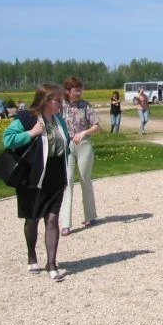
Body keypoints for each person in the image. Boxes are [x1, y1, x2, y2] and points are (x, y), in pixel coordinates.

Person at [2, 83, 71, 282]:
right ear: (44, 100)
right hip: (32, 178)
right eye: (56, 99)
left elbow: (64, 145)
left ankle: (52, 263)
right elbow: (8, 140)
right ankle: (32, 255)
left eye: (60, 99)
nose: (59, 103)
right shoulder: (26, 118)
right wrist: (31, 133)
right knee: (32, 220)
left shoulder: (59, 121)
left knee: (52, 220)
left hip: (56, 176)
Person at [59, 76, 100, 236]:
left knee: (85, 179)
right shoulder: (60, 106)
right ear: (68, 91)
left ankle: (90, 215)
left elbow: (96, 126)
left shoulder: (85, 105)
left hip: (83, 145)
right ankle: (65, 223)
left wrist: (84, 132)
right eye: (76, 90)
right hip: (67, 147)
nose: (79, 92)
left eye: (80, 89)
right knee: (67, 181)